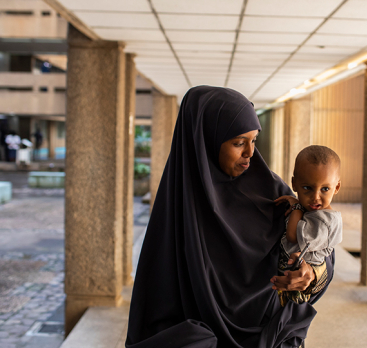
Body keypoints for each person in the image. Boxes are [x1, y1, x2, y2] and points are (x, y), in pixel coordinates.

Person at [125, 86, 335, 348]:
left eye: (254, 140)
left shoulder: (273, 192)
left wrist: (311, 274)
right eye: (238, 142)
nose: (249, 152)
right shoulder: (180, 210)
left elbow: (323, 248)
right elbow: (157, 303)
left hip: (270, 337)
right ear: (207, 142)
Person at [274, 146, 343, 307]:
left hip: (302, 274)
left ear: (337, 188)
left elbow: (292, 235)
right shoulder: (315, 214)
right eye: (307, 188)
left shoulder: (325, 221)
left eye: (325, 189)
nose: (316, 197)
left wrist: (297, 206)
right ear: (294, 184)